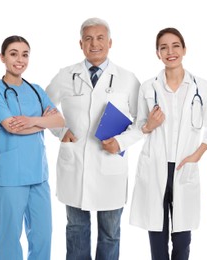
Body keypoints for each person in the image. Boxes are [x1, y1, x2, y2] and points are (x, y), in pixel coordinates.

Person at [46, 17, 141, 260]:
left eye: (100, 38)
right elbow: (44, 108)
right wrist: (60, 132)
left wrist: (121, 142)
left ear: (110, 42)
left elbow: (143, 122)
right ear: (81, 44)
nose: (94, 43)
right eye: (88, 38)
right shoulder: (66, 75)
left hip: (110, 166)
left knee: (110, 233)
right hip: (75, 164)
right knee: (76, 229)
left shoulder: (127, 78)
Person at [129, 27, 207, 260]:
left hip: (184, 166)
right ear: (157, 53)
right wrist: (149, 124)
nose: (170, 51)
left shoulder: (201, 86)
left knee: (182, 239)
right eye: (164, 47)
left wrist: (197, 154)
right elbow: (140, 126)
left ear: (184, 49)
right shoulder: (149, 87)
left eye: (175, 46)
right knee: (157, 237)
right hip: (155, 165)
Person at [0, 35, 64, 260]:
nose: (20, 59)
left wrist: (30, 121)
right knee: (10, 238)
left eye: (25, 54)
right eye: (13, 54)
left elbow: (59, 121)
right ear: (2, 57)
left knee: (43, 237)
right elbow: (11, 127)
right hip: (9, 177)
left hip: (38, 175)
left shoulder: (37, 89)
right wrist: (41, 121)